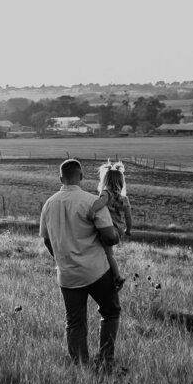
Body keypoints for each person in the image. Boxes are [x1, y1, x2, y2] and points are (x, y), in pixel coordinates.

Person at [39, 158, 122, 372]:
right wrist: (116, 233)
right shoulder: (90, 201)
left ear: (60, 178)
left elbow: (47, 240)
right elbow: (109, 238)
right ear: (81, 176)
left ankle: (80, 367)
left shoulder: (49, 204)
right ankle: (105, 360)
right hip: (96, 271)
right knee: (111, 312)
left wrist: (60, 260)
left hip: (67, 274)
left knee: (74, 323)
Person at [92, 160, 133, 289]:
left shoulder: (106, 193)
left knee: (108, 254)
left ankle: (117, 277)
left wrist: (92, 209)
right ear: (121, 182)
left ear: (105, 181)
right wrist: (128, 230)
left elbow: (102, 202)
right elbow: (128, 217)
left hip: (109, 228)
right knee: (109, 253)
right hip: (119, 230)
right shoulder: (124, 199)